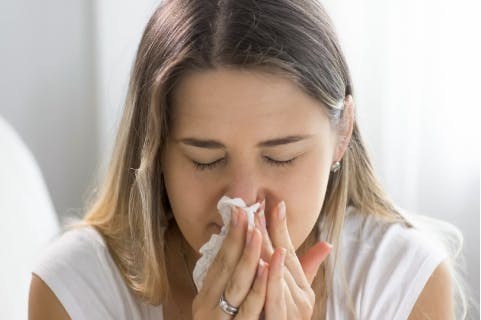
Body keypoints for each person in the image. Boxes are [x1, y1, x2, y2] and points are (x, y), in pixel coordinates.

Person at [28, 0, 465, 319]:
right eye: (205, 159)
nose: (242, 203)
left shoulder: (401, 283)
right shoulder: (75, 290)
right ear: (155, 149)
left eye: (281, 157)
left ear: (342, 132)